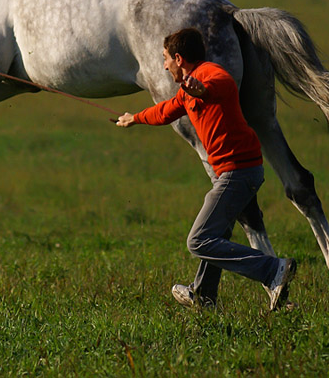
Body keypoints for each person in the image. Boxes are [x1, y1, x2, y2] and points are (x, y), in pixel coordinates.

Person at [116, 27, 296, 310]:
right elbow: (165, 111)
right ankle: (203, 295)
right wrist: (134, 118)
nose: (164, 65)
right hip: (238, 171)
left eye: (165, 59)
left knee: (199, 240)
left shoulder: (210, 75)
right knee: (218, 232)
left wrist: (201, 90)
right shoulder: (187, 89)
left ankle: (272, 270)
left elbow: (220, 85)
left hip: (238, 172)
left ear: (178, 58)